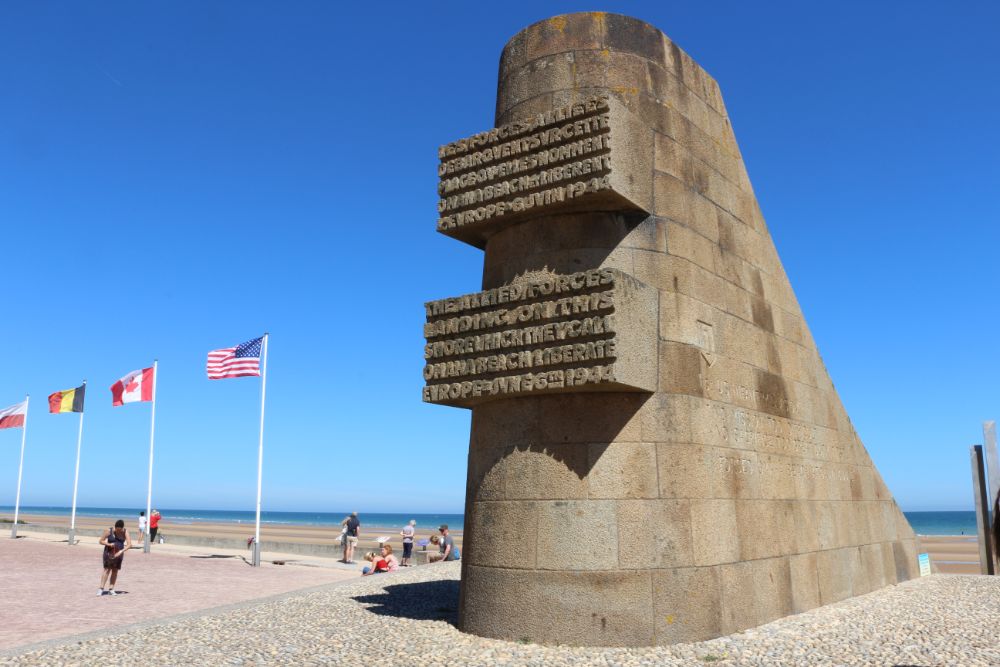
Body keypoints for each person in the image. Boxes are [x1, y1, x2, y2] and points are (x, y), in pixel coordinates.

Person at [98, 520, 132, 595]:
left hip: (119, 554)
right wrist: (108, 544)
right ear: (115, 527)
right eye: (117, 530)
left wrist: (121, 551)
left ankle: (111, 589)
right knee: (107, 570)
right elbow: (101, 541)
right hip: (109, 553)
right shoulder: (109, 531)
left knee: (115, 571)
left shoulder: (125, 531)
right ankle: (101, 589)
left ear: (122, 528)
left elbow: (129, 545)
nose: (119, 531)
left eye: (120, 530)